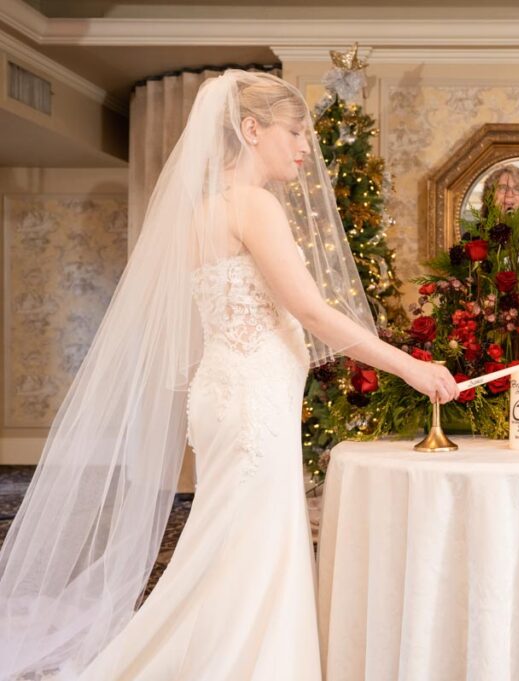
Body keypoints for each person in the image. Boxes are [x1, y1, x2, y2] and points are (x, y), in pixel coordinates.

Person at [0, 70, 457, 680]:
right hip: (252, 405)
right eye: (295, 132)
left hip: (227, 395)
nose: (304, 148)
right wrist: (412, 368)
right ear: (251, 129)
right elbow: (312, 310)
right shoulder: (254, 205)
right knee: (251, 546)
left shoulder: (206, 209)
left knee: (232, 545)